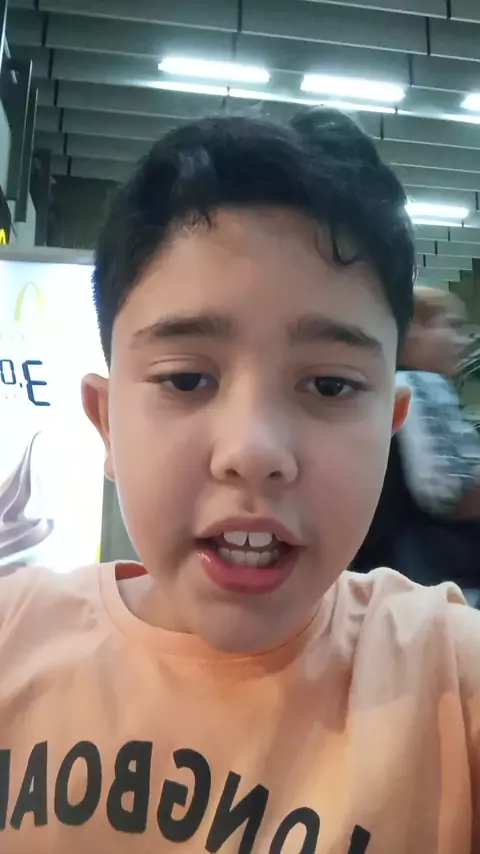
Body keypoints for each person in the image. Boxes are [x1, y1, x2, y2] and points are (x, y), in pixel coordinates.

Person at [0, 109, 479, 854]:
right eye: (186, 378)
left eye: (329, 385)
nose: (254, 452)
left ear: (391, 426)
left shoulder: (448, 679)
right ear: (106, 423)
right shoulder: (13, 639)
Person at [354, 287, 480, 592]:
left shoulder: (377, 389)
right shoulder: (420, 385)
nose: (462, 341)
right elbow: (451, 492)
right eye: (451, 325)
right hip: (440, 570)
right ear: (415, 331)